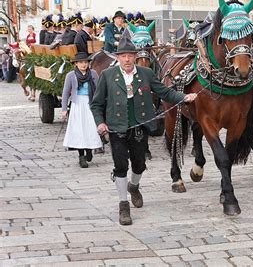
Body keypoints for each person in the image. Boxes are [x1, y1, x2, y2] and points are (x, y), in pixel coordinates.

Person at [90, 37, 198, 225]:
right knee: (121, 166)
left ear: (135, 57)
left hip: (140, 126)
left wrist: (184, 96)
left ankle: (134, 186)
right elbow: (97, 103)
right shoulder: (108, 75)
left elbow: (165, 92)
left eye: (130, 56)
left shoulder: (146, 73)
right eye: (123, 56)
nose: (127, 60)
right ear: (118, 57)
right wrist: (100, 123)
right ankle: (123, 205)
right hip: (117, 127)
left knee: (139, 165)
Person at [61, 52, 102, 168]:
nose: (83, 65)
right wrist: (64, 109)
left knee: (90, 128)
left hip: (90, 103)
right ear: (76, 64)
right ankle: (81, 156)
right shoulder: (71, 76)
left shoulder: (93, 74)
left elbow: (98, 89)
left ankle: (89, 149)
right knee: (79, 129)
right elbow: (65, 92)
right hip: (77, 104)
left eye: (85, 62)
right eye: (81, 62)